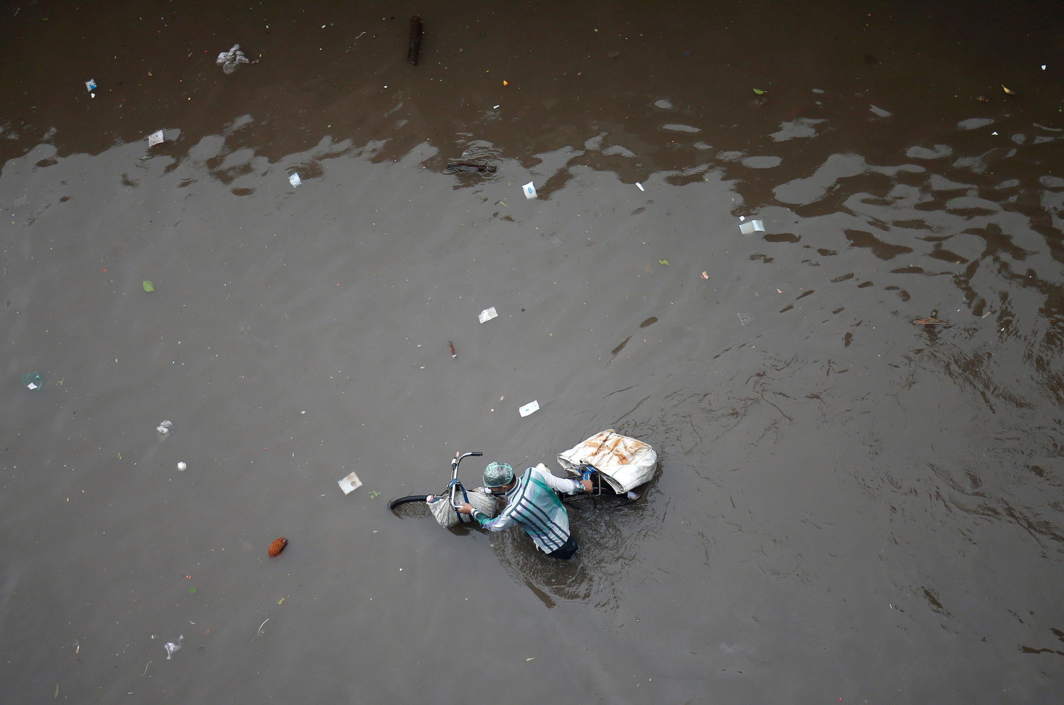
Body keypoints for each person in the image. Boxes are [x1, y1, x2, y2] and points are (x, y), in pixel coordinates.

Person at [457, 461, 593, 560]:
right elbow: (566, 486)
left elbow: (493, 525)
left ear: (504, 487)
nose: (491, 490)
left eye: (492, 488)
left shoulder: (513, 511)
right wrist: (582, 485)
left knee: (572, 561)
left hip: (556, 545)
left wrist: (472, 510)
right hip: (563, 522)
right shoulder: (534, 473)